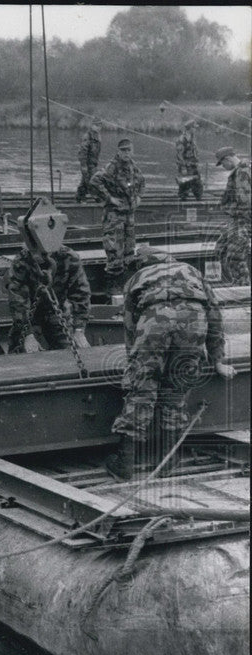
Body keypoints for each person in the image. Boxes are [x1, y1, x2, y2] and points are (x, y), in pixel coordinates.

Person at [106, 248, 235, 480]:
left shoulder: (137, 277)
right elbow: (214, 313)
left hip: (154, 319)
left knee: (142, 390)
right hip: (194, 318)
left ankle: (125, 463)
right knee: (176, 389)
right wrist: (217, 360)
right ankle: (168, 462)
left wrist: (135, 365)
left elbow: (130, 325)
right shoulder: (191, 270)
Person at [7, 241, 91, 353]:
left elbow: (81, 294)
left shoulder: (69, 258)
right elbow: (18, 302)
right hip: (30, 318)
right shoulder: (21, 262)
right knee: (22, 353)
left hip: (57, 314)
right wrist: (28, 335)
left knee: (71, 352)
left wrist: (79, 329)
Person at [90, 138, 146, 275]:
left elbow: (142, 182)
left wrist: (139, 196)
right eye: (123, 150)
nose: (126, 153)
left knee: (129, 248)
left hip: (129, 215)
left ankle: (127, 277)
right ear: (118, 151)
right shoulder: (112, 167)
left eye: (129, 150)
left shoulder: (133, 167)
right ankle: (113, 279)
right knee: (114, 249)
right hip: (114, 215)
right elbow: (94, 181)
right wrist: (110, 199)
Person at [213, 146, 251, 285]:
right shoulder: (241, 171)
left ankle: (243, 287)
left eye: (222, 163)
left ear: (228, 159)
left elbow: (245, 201)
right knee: (221, 248)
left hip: (243, 220)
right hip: (237, 220)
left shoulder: (242, 172)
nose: (223, 167)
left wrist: (243, 225)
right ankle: (235, 281)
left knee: (235, 256)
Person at [175, 120, 203, 200]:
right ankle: (183, 201)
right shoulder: (181, 139)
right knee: (184, 185)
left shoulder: (193, 138)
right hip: (185, 166)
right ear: (190, 128)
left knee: (198, 184)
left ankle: (199, 200)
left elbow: (195, 152)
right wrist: (183, 168)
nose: (195, 130)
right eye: (194, 128)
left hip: (194, 165)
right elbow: (179, 155)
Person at [75, 118, 102, 202]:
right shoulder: (88, 136)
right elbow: (83, 152)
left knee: (86, 180)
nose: (98, 127)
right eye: (96, 125)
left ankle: (80, 197)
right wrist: (83, 165)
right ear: (92, 125)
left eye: (99, 126)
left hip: (93, 163)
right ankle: (95, 197)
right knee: (91, 180)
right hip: (87, 163)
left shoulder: (97, 136)